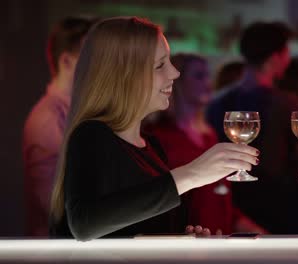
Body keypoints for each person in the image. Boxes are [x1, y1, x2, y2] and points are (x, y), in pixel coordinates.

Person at [49, 17, 259, 241]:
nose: (174, 74)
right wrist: (190, 174)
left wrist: (181, 237)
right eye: (160, 65)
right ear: (124, 75)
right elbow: (84, 223)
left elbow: (135, 230)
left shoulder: (151, 145)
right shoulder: (91, 135)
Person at [206, 22, 298, 234]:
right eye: (286, 50)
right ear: (277, 56)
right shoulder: (285, 103)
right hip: (280, 207)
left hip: (233, 204)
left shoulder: (217, 102)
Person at [144, 53, 264, 234]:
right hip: (186, 239)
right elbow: (154, 198)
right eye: (199, 76)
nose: (208, 83)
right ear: (177, 81)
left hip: (217, 237)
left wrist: (250, 227)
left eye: (209, 76)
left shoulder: (209, 134)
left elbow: (219, 197)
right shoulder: (157, 134)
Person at [22, 16, 95, 237]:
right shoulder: (49, 119)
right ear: (66, 61)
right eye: (91, 56)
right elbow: (56, 208)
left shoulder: (72, 113)